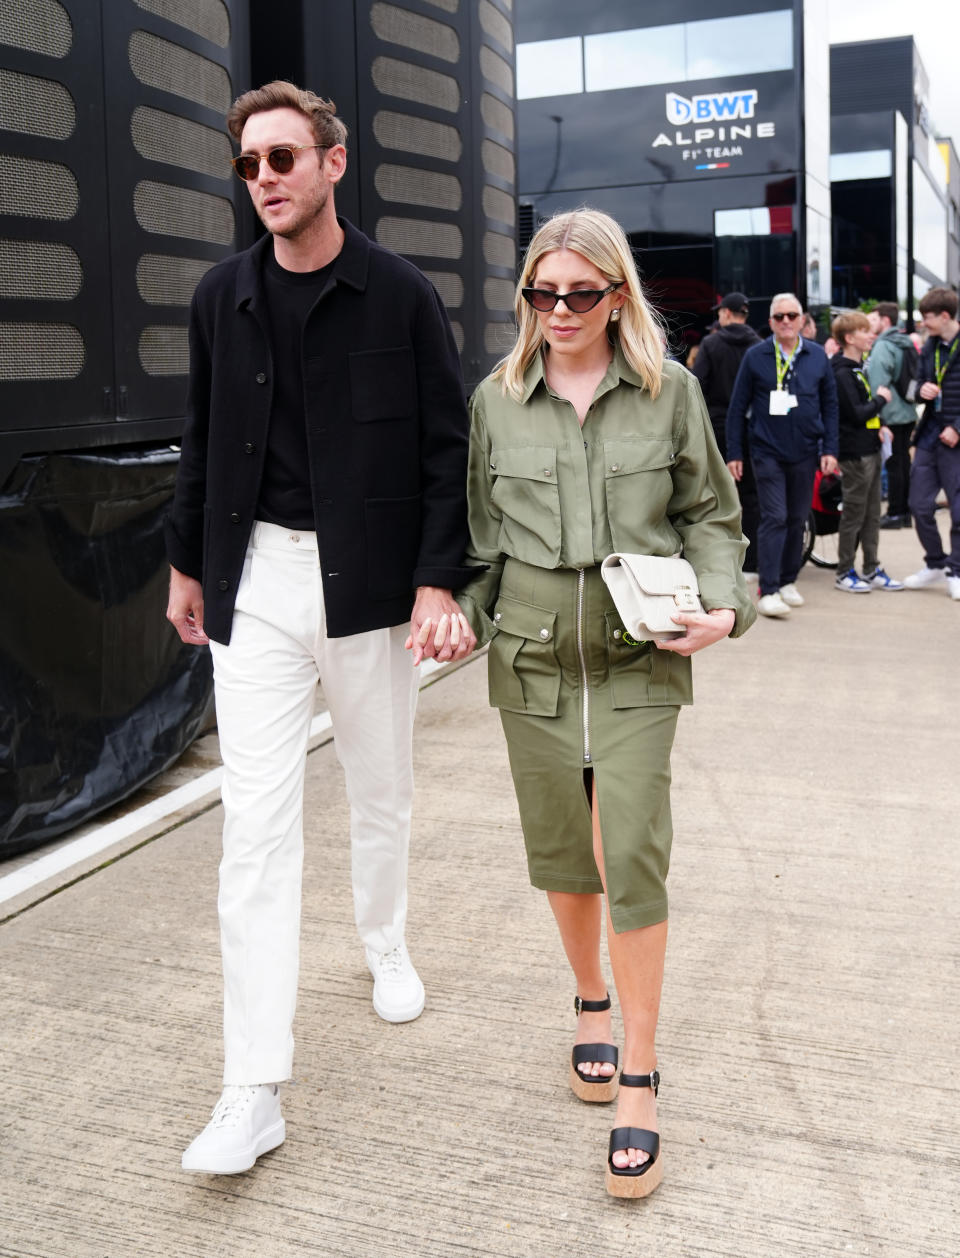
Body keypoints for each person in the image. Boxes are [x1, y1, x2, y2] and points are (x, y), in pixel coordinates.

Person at [164, 80, 476, 1174]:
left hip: (372, 589)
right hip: (252, 583)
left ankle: (384, 939)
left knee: (380, 784)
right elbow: (198, 438)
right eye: (250, 165)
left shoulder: (397, 294)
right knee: (254, 829)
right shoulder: (219, 296)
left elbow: (448, 450)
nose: (267, 180)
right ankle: (252, 1087)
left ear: (333, 163)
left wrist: (441, 582)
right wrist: (184, 562)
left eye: (284, 158)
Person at [456, 209, 755, 1198]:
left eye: (582, 292)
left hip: (639, 655)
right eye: (543, 292)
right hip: (533, 657)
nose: (561, 309)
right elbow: (478, 540)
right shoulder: (496, 400)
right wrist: (451, 615)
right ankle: (588, 996)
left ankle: (638, 1067)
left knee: (626, 846)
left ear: (618, 293)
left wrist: (727, 603)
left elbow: (711, 511)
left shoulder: (670, 395)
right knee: (561, 849)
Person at [726, 292, 839, 618]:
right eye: (779, 317)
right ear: (771, 321)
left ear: (803, 320)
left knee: (796, 518)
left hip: (805, 451)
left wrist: (830, 448)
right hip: (766, 451)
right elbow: (737, 408)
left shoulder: (817, 356)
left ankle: (789, 580)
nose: (786, 322)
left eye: (792, 316)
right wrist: (735, 452)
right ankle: (769, 588)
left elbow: (831, 406)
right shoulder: (756, 356)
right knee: (774, 517)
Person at [829, 311, 902, 592]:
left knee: (872, 513)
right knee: (854, 514)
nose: (870, 335)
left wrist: (880, 424)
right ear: (849, 338)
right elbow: (856, 414)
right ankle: (844, 571)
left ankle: (871, 568)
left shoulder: (858, 369)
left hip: (869, 448)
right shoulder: (842, 372)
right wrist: (882, 401)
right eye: (864, 331)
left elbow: (863, 413)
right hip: (854, 454)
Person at [690, 292, 762, 573]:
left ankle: (715, 561)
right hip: (750, 428)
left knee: (713, 496)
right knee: (751, 496)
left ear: (728, 314)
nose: (718, 316)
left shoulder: (711, 343)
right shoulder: (758, 346)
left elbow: (698, 387)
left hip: (717, 426)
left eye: (720, 312)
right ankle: (753, 562)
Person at [903, 287, 960, 599]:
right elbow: (914, 386)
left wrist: (957, 429)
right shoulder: (929, 346)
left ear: (945, 316)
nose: (923, 323)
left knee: (959, 509)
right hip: (929, 436)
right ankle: (936, 563)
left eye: (927, 318)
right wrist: (921, 389)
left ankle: (956, 570)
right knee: (919, 505)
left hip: (955, 439)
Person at [866, 301, 917, 528]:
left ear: (885, 321)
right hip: (907, 409)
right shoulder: (905, 341)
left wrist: (878, 414)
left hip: (890, 413)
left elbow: (878, 383)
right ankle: (905, 511)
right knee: (904, 462)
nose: (870, 324)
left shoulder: (883, 345)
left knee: (894, 464)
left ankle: (895, 513)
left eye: (874, 319)